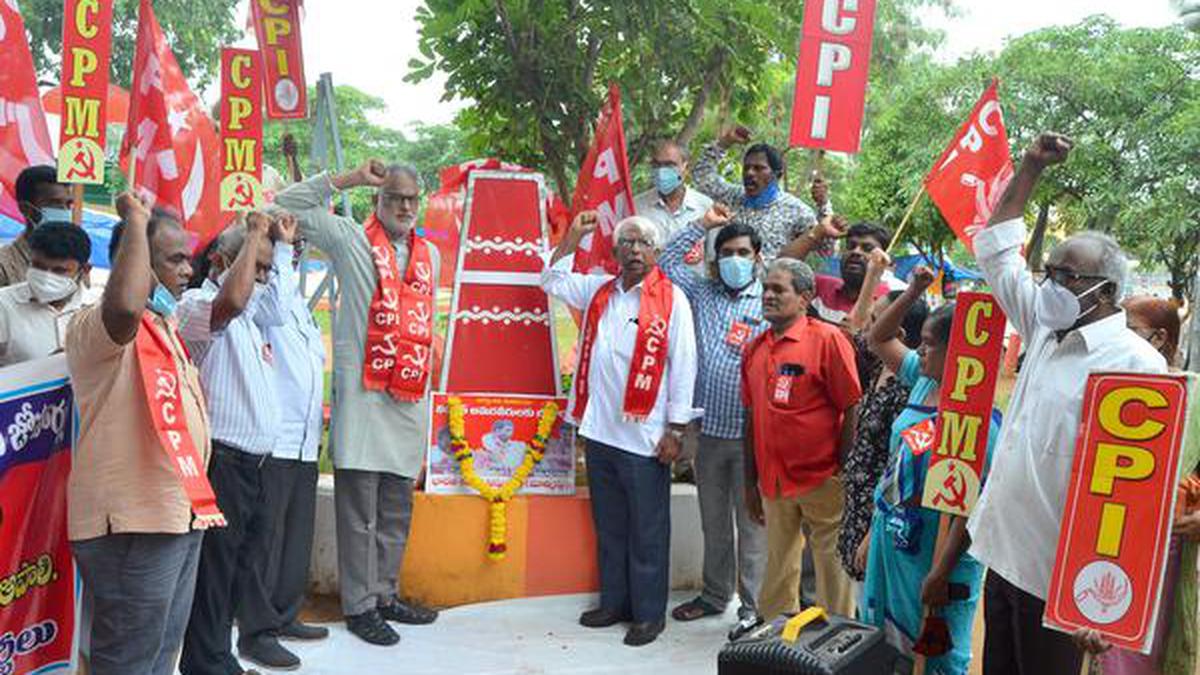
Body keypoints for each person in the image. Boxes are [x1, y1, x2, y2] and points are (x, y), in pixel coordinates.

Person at [964, 133, 1168, 675]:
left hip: (1060, 583)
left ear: (1105, 292)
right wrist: (1030, 167)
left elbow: (1137, 499)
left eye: (1064, 276)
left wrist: (1106, 606)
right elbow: (997, 248)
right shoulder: (1045, 326)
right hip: (1004, 557)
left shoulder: (1136, 369)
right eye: (1048, 272)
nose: (1049, 283)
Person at [275, 159, 440, 646]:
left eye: (412, 199)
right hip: (365, 392)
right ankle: (360, 605)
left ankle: (385, 594)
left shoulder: (428, 253)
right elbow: (285, 205)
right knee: (358, 506)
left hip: (408, 393)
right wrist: (345, 178)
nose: (405, 206)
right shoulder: (352, 239)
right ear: (378, 201)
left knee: (395, 505)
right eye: (394, 198)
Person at [65, 194, 215, 675]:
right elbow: (125, 306)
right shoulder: (101, 325)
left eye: (186, 259)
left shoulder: (165, 328)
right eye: (174, 259)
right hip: (134, 525)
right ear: (134, 262)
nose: (187, 271)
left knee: (159, 652)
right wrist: (136, 219)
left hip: (178, 515)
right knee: (129, 658)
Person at [541, 211, 699, 647]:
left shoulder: (673, 301)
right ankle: (614, 603)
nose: (634, 249)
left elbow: (684, 366)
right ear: (614, 252)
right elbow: (551, 279)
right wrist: (573, 237)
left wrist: (676, 429)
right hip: (600, 433)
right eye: (626, 242)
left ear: (657, 252)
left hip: (646, 438)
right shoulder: (599, 292)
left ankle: (649, 615)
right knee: (610, 527)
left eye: (643, 243)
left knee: (647, 530)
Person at [860, 267, 999, 673]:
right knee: (884, 646)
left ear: (959, 352)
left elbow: (975, 510)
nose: (920, 353)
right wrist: (915, 291)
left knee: (936, 654)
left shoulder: (982, 422)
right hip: (894, 537)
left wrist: (940, 573)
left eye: (928, 346)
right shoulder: (922, 380)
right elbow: (878, 338)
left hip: (938, 556)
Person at [178, 214, 285, 675]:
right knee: (214, 574)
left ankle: (220, 658)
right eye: (254, 266)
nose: (261, 279)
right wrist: (257, 235)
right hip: (223, 463)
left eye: (266, 269)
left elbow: (270, 301)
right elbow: (234, 298)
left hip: (256, 466)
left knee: (238, 570)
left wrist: (275, 244)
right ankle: (206, 664)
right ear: (221, 261)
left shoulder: (255, 314)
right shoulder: (199, 304)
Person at [658, 204, 767, 636]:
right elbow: (665, 263)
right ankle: (714, 594)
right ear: (714, 258)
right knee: (713, 522)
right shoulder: (702, 291)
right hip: (707, 435)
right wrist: (702, 225)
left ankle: (754, 607)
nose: (734, 261)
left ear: (757, 257)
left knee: (752, 526)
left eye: (743, 252)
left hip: (751, 436)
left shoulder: (771, 296)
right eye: (726, 253)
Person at [1075, 295, 1198, 675]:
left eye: (1129, 331)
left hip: (1160, 559)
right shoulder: (1104, 390)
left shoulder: (1194, 399)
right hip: (1098, 546)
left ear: (1160, 339)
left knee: (1134, 658)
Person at [234, 210, 331, 669]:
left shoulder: (303, 313)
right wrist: (283, 249)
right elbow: (279, 286)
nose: (298, 255)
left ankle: (286, 613)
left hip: (306, 443)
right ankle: (256, 631)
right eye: (291, 251)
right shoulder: (263, 301)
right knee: (264, 543)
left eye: (301, 248)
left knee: (296, 536)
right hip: (275, 439)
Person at [741, 257, 861, 621]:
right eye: (766, 289)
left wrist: (840, 470)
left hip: (822, 478)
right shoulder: (756, 347)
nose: (769, 296)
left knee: (831, 572)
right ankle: (775, 639)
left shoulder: (828, 340)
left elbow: (852, 407)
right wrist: (750, 482)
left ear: (805, 296)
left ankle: (837, 642)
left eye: (779, 289)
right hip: (773, 481)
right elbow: (751, 416)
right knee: (777, 567)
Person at [838, 252, 930, 582]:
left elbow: (902, 469)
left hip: (883, 514)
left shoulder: (913, 389)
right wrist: (872, 277)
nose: (869, 327)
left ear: (900, 335)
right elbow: (856, 331)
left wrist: (872, 531)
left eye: (880, 318)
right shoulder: (878, 366)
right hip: (858, 503)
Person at [692, 126, 821, 261]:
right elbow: (702, 177)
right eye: (746, 168)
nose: (750, 173)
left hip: (769, 280)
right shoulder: (733, 196)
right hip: (726, 278)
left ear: (777, 175)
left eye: (759, 168)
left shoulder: (797, 210)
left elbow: (824, 246)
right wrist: (725, 142)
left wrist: (823, 205)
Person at [0, 222, 94, 365]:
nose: (45, 277)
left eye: (59, 271)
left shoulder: (96, 309)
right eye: (38, 266)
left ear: (84, 270)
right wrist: (43, 369)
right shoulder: (4, 304)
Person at [781, 218, 891, 325]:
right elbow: (781, 269)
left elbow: (853, 333)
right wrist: (819, 231)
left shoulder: (889, 302)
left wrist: (872, 278)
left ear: (885, 258)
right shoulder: (818, 286)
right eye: (851, 246)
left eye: (867, 248)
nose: (856, 252)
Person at [633, 139, 714, 275]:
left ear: (685, 168)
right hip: (650, 292)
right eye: (656, 165)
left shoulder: (705, 206)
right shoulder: (637, 207)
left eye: (669, 165)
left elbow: (713, 259)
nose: (661, 171)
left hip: (691, 293)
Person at [3, 165, 73, 286]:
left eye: (68, 204)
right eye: (55, 203)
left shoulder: (75, 260)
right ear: (26, 209)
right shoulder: (5, 265)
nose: (64, 211)